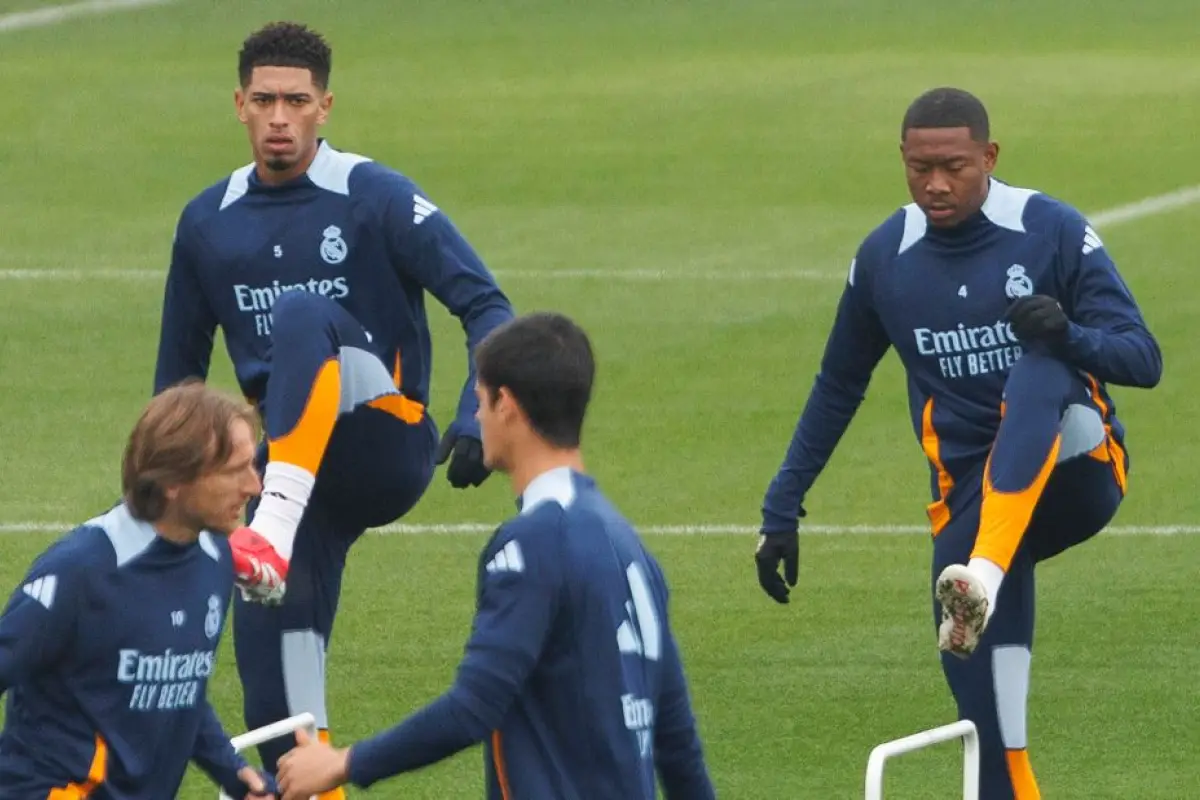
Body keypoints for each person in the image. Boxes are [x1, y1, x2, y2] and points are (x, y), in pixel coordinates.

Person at [755, 87, 1161, 799]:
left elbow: (1142, 358)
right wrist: (781, 506)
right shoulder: (886, 256)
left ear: (989, 157)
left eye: (954, 167)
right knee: (994, 740)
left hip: (1076, 469)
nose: (936, 184)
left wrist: (1067, 335)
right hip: (966, 514)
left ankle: (988, 579)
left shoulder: (1052, 229)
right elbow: (837, 383)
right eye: (919, 168)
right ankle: (983, 576)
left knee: (1037, 367)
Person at [151, 20, 516, 790]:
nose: (279, 117)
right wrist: (157, 514)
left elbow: (487, 306)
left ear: (325, 107)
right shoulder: (205, 223)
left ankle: (272, 531)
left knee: (296, 316)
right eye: (264, 100)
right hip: (289, 472)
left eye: (296, 101)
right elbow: (176, 392)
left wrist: (477, 414)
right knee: (279, 694)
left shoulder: (375, 194)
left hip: (387, 440)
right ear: (239, 105)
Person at [272, 312, 716, 800]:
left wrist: (343, 762)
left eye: (480, 400)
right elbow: (677, 745)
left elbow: (474, 706)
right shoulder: (630, 548)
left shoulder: (531, 544)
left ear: (506, 403)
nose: (477, 416)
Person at [0, 382, 274, 799]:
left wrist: (232, 772)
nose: (254, 486)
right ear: (173, 480)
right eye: (235, 470)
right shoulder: (81, 572)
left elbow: (179, 688)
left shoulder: (214, 559)